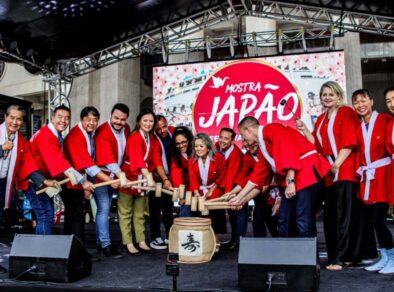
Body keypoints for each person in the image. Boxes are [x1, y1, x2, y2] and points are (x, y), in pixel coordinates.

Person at [297, 81, 364, 271]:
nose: (327, 97)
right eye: (324, 94)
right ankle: (335, 255)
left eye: (330, 94)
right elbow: (317, 144)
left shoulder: (347, 112)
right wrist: (304, 130)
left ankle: (346, 257)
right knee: (331, 217)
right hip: (330, 173)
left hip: (345, 168)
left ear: (338, 95)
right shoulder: (321, 118)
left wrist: (336, 164)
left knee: (345, 215)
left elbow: (350, 142)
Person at [230, 117, 330, 240]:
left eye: (242, 134)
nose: (243, 140)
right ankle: (289, 252)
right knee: (284, 217)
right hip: (295, 178)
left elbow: (289, 152)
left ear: (249, 130)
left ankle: (307, 256)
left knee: (302, 218)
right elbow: (257, 177)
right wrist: (241, 199)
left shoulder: (272, 128)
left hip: (306, 174)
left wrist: (290, 182)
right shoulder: (263, 146)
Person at [0, 105, 58, 273]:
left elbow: (28, 165)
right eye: (12, 118)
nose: (15, 122)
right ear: (5, 117)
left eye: (19, 119)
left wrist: (43, 181)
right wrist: (1, 148)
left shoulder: (21, 141)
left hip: (3, 183)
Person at [27, 105, 95, 235]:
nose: (63, 121)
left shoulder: (56, 135)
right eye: (59, 117)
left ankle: (45, 251)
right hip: (35, 180)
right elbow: (59, 162)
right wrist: (82, 182)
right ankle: (42, 252)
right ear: (52, 118)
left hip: (46, 181)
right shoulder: (46, 135)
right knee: (46, 215)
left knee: (47, 215)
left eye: (67, 118)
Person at [351, 89, 394, 274]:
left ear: (372, 101)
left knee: (379, 219)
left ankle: (392, 258)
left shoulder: (386, 120)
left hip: (384, 174)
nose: (360, 104)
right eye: (356, 102)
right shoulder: (358, 128)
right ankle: (384, 257)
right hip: (368, 177)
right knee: (372, 220)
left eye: (364, 100)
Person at [63, 106, 119, 243]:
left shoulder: (90, 134)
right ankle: (76, 251)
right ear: (81, 119)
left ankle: (74, 251)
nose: (91, 123)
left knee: (76, 214)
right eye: (88, 120)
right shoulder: (75, 135)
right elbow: (87, 165)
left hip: (80, 180)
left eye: (95, 120)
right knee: (75, 216)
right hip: (70, 180)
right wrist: (110, 180)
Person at [118, 109, 162, 255]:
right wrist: (148, 176)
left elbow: (156, 160)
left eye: (151, 121)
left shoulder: (152, 139)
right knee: (125, 212)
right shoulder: (134, 137)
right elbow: (136, 158)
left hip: (143, 178)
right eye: (145, 121)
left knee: (140, 212)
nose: (148, 124)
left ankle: (141, 240)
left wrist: (162, 178)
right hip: (130, 176)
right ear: (138, 122)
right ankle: (128, 242)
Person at [94, 103, 130, 258]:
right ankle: (105, 244)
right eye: (116, 118)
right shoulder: (102, 131)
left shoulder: (126, 128)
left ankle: (101, 241)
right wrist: (121, 175)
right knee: (104, 209)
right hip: (101, 175)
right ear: (110, 114)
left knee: (105, 209)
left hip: (115, 175)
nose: (119, 122)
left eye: (123, 119)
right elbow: (106, 158)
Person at [188, 133, 226, 250]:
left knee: (215, 211)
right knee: (196, 208)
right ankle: (200, 241)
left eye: (201, 146)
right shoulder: (192, 160)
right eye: (196, 146)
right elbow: (192, 178)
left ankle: (216, 238)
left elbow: (222, 176)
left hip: (215, 187)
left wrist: (212, 190)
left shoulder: (218, 157)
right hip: (199, 189)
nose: (198, 149)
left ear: (208, 146)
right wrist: (196, 194)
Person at [149, 115, 175, 250]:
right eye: (158, 129)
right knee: (154, 208)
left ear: (167, 123)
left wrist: (170, 179)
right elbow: (157, 161)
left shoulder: (174, 132)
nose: (162, 131)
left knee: (168, 208)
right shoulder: (152, 138)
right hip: (156, 178)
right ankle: (155, 236)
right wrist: (164, 179)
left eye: (163, 126)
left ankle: (170, 235)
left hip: (170, 178)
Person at [217, 128, 244, 250]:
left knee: (239, 214)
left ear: (233, 140)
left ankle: (240, 242)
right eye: (221, 137)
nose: (222, 141)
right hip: (228, 186)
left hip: (237, 187)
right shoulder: (217, 147)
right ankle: (233, 239)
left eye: (226, 138)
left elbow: (231, 176)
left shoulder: (236, 154)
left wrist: (227, 194)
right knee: (233, 216)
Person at [170, 126, 194, 217]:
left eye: (184, 142)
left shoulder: (197, 150)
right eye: (178, 143)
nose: (181, 145)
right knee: (184, 210)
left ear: (189, 140)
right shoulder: (175, 156)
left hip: (198, 186)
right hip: (184, 187)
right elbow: (176, 174)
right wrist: (181, 195)